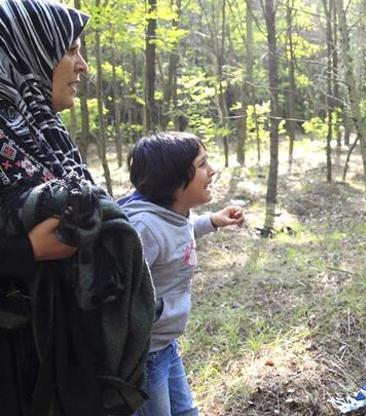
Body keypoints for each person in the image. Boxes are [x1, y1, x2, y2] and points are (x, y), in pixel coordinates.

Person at [1, 1, 154, 415]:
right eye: (69, 50)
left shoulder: (44, 134)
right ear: (23, 53)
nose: (83, 66)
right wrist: (24, 253)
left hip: (58, 360)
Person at [121, 132, 244, 416]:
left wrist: (212, 221)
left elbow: (178, 235)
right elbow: (117, 294)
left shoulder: (173, 213)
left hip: (165, 345)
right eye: (202, 165)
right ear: (173, 178)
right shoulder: (144, 229)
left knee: (187, 412)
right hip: (144, 356)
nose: (212, 171)